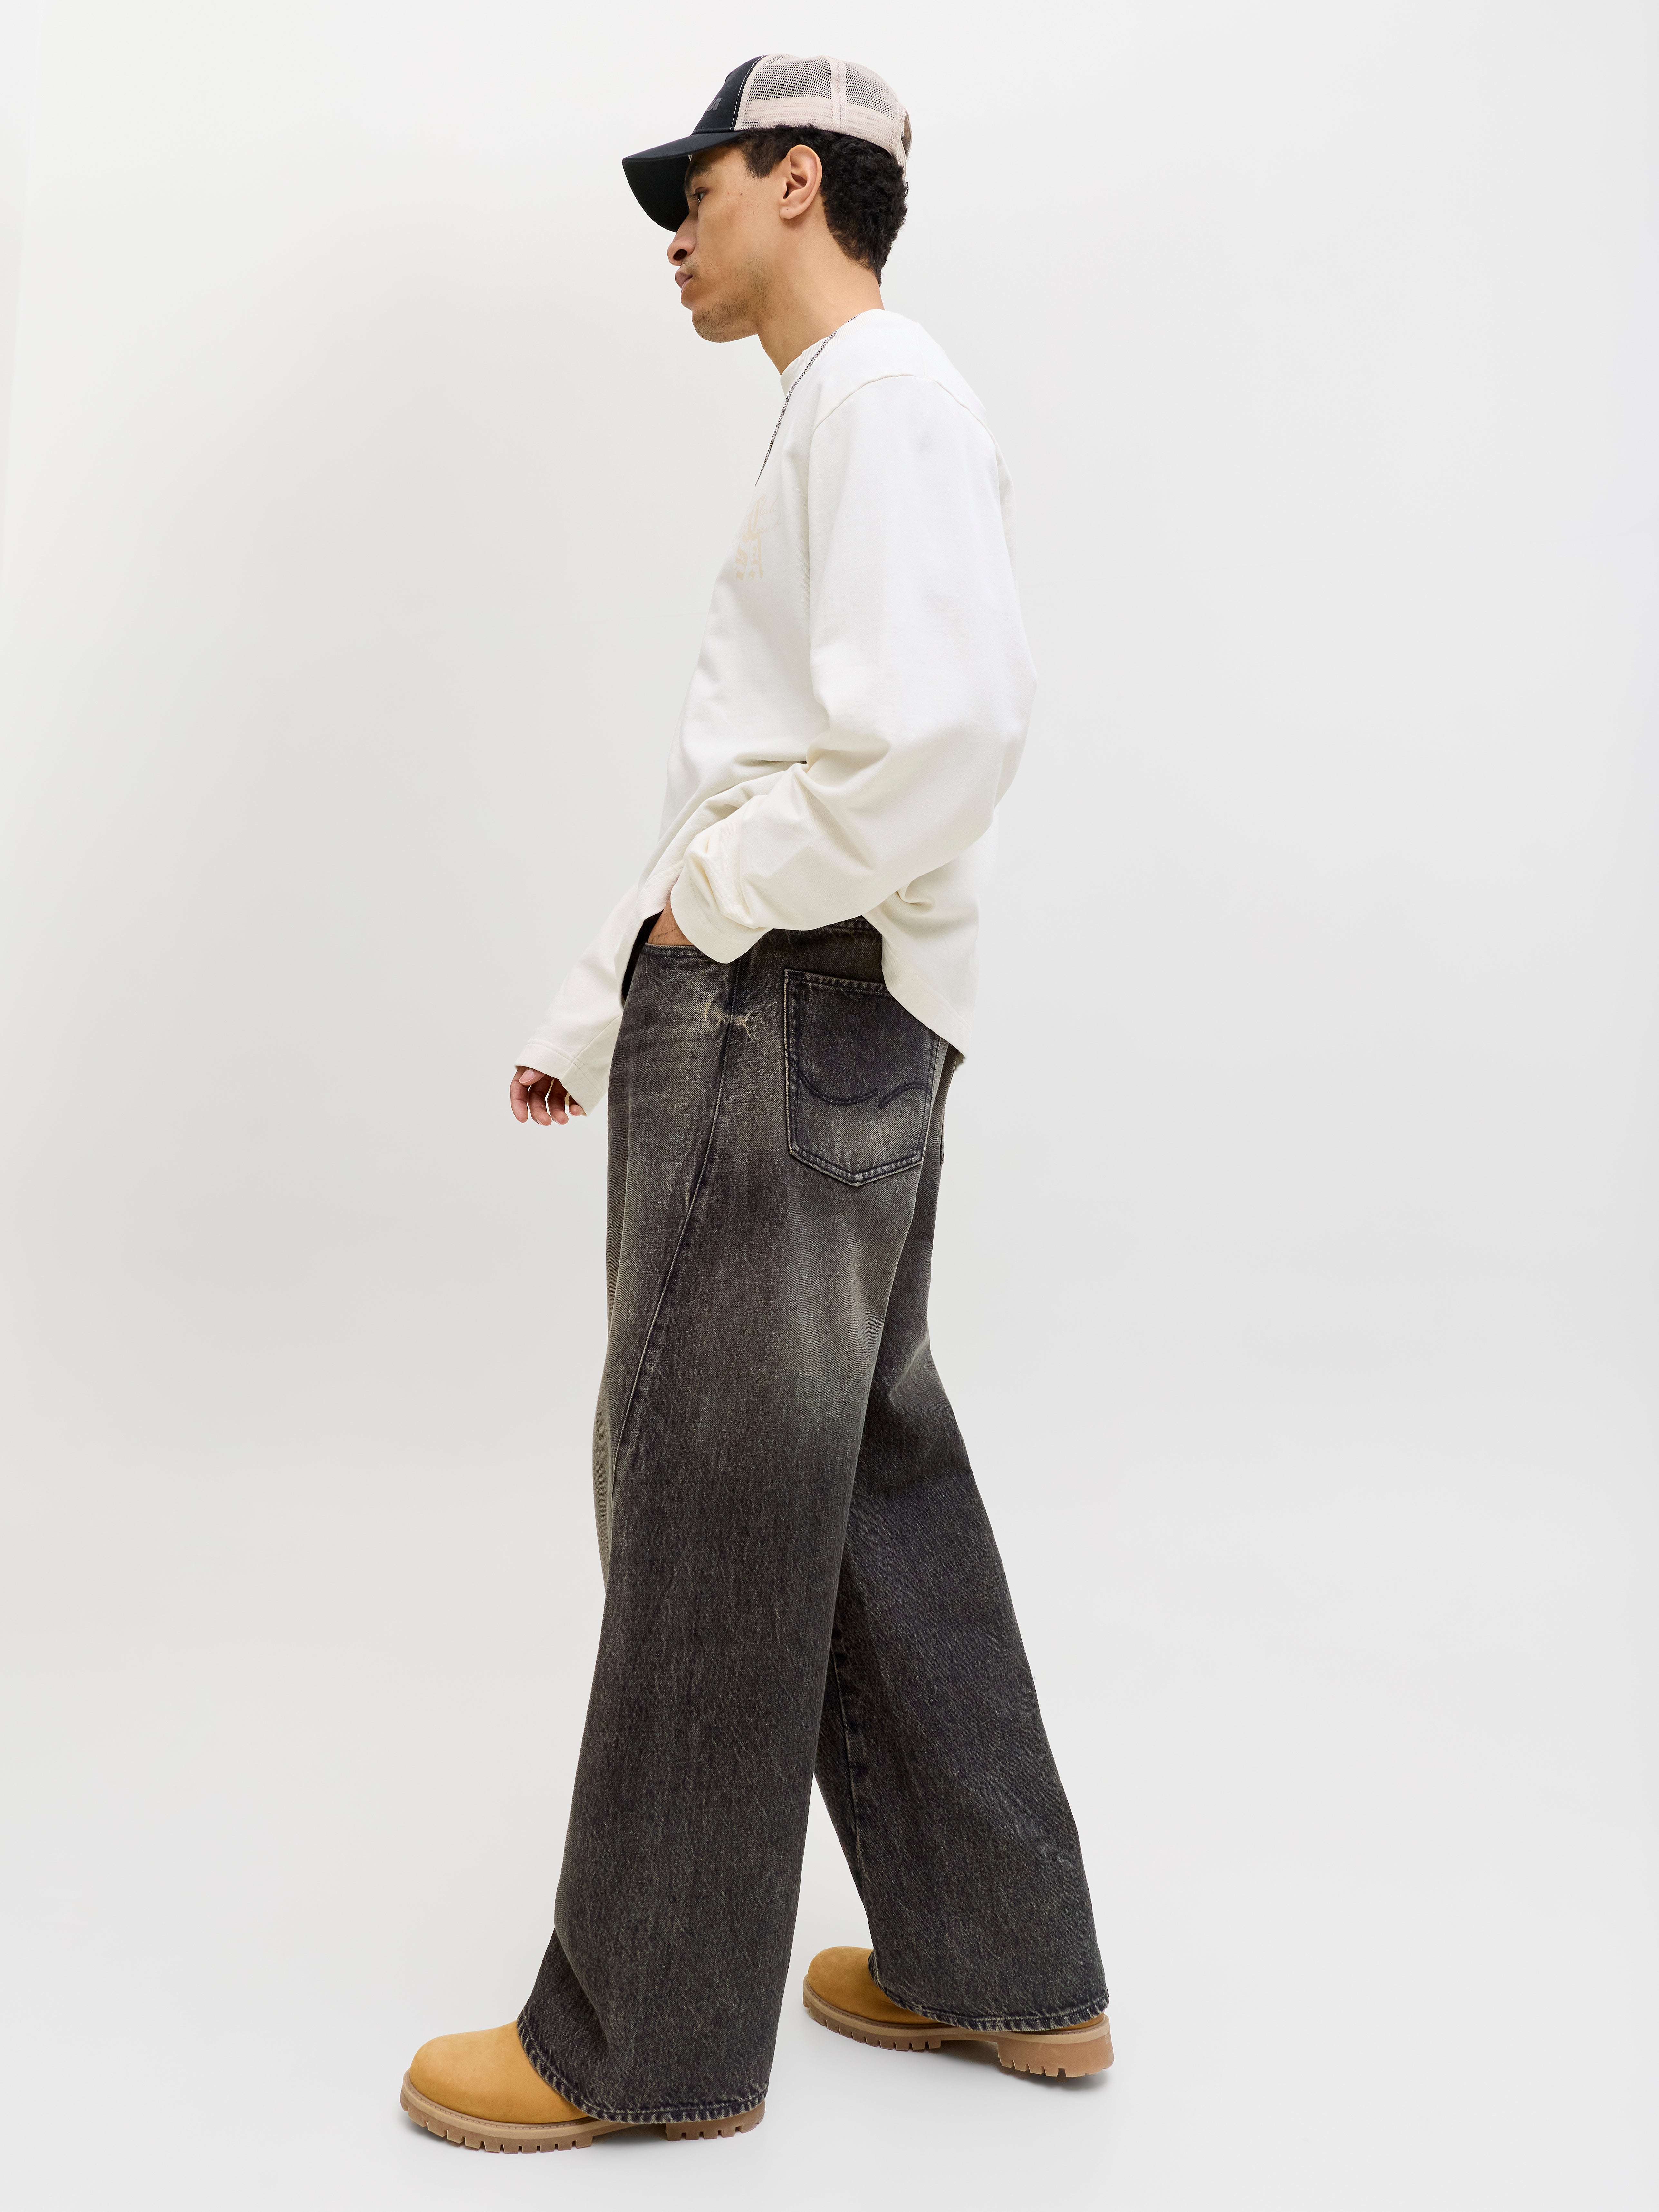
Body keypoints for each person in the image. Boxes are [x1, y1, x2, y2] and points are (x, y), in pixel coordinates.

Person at [400, 53, 1109, 2154]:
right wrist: (606, 991)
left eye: (696, 191)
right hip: (845, 1005)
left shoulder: (876, 399)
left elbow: (943, 735)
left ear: (802, 179)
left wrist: (708, 916)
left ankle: (641, 2037)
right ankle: (1006, 1958)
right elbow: (801, 756)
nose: (675, 234)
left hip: (787, 1004)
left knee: (705, 1488)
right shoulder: (859, 409)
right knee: (867, 1481)